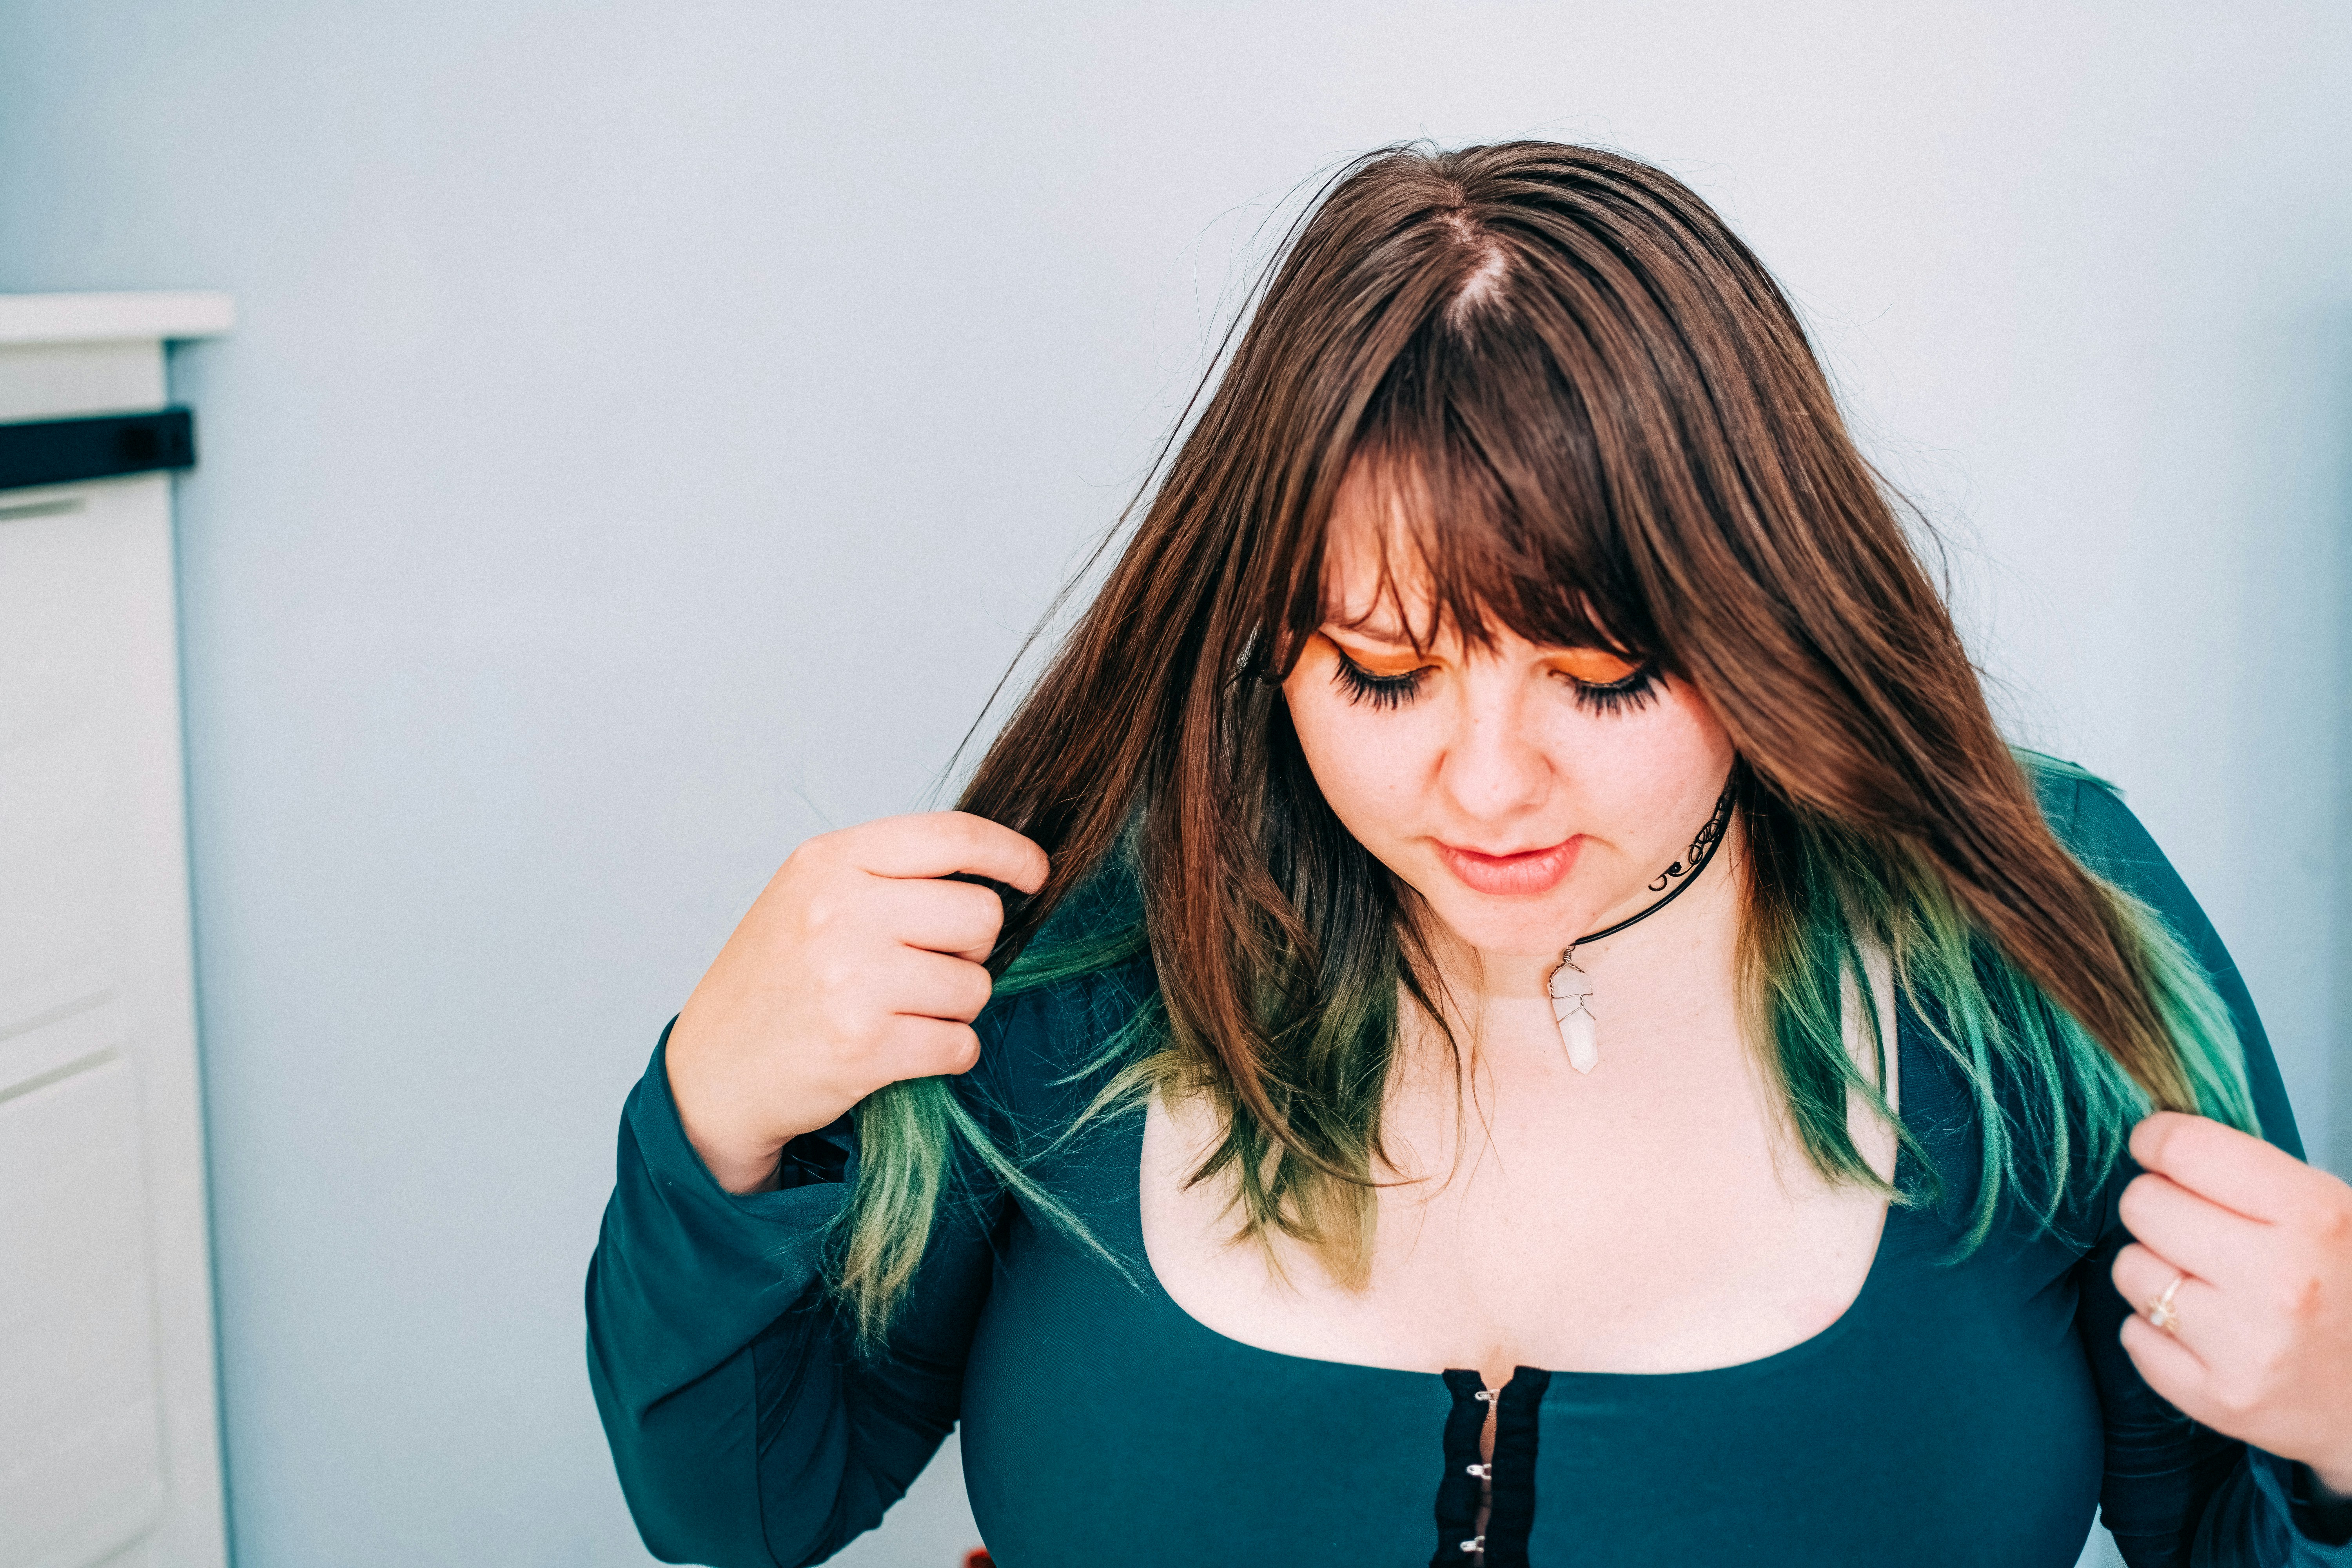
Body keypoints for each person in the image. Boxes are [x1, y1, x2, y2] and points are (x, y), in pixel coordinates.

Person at [585, 142, 2352, 1566]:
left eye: (1603, 679)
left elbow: (2244, 1535)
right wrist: (718, 1110)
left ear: (1768, 617)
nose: (1485, 787)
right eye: (1381, 671)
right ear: (1263, 635)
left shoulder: (2029, 933)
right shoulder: (1074, 966)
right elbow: (742, 1510)